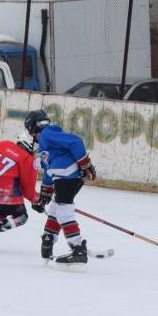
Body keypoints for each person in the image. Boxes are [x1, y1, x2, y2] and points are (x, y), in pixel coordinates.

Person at [25, 109, 97, 267]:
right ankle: (48, 239)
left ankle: (78, 250)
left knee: (64, 212)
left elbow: (75, 142)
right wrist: (44, 195)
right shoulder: (45, 146)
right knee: (55, 208)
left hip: (69, 176)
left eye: (30, 131)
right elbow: (49, 171)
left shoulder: (47, 134)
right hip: (63, 178)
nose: (30, 135)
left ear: (32, 128)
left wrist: (85, 164)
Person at [0, 129, 43, 251]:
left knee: (6, 207)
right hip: (5, 189)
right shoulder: (28, 159)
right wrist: (38, 199)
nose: (36, 152)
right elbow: (29, 192)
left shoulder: (3, 143)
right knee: (22, 216)